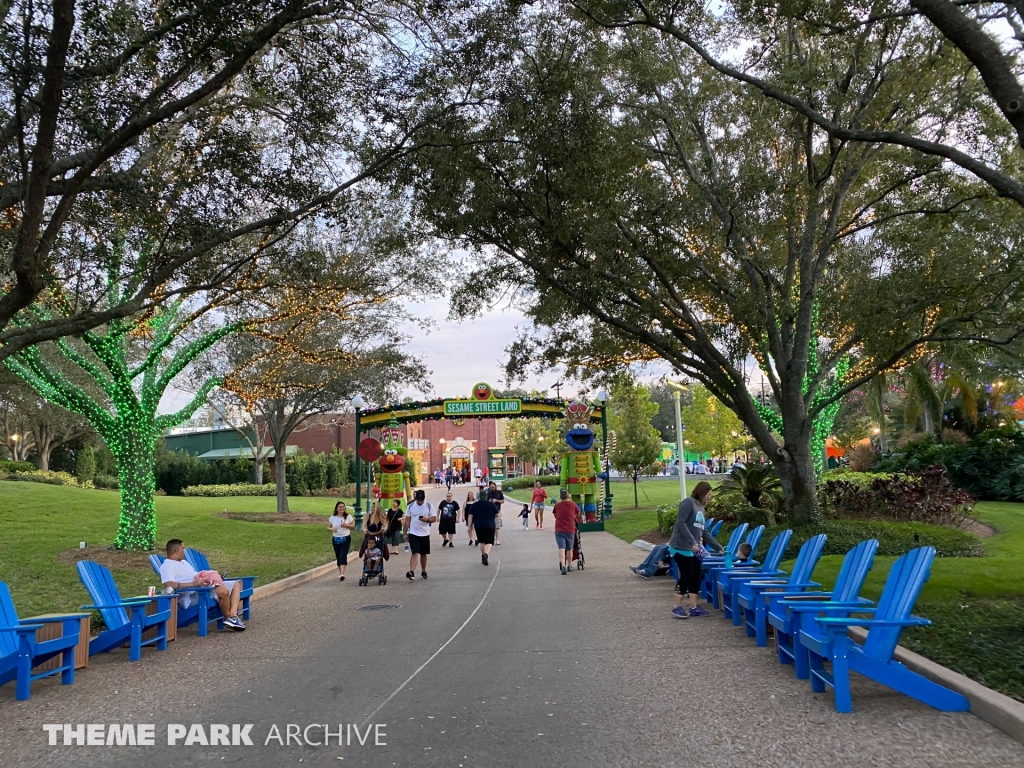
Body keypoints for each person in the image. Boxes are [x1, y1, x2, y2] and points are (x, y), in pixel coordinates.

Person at [158, 539, 245, 630]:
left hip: (202, 587)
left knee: (235, 584)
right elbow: (168, 584)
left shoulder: (184, 563)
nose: (185, 550)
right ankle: (228, 618)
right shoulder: (167, 566)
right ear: (177, 550)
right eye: (183, 548)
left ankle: (233, 616)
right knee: (223, 590)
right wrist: (193, 583)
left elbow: (195, 575)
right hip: (192, 595)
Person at [668, 481, 724, 619]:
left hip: (694, 548)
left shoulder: (701, 508)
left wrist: (718, 547)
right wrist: (692, 542)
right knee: (687, 575)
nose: (709, 497)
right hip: (680, 546)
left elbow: (703, 531)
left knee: (696, 575)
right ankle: (676, 607)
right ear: (702, 492)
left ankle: (694, 607)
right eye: (709, 494)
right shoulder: (688, 503)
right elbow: (680, 523)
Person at [404, 489, 436, 580]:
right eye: (418, 500)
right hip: (413, 532)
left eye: (421, 500)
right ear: (415, 498)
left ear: (424, 498)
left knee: (423, 553)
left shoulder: (429, 506)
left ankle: (423, 570)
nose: (420, 502)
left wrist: (427, 520)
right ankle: (411, 572)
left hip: (425, 533)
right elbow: (407, 520)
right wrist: (405, 533)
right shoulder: (410, 506)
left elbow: (434, 519)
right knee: (415, 552)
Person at [552, 489, 582, 575]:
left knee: (561, 548)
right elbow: (578, 514)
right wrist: (573, 517)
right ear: (568, 496)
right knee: (569, 549)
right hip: (570, 529)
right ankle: (569, 565)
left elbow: (555, 515)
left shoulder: (557, 505)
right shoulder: (573, 504)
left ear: (560, 497)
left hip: (559, 529)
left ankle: (563, 566)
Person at [466, 492, 499, 566]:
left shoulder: (474, 505)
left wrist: (469, 526)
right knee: (490, 542)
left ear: (478, 497)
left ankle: (483, 556)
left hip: (478, 526)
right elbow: (497, 514)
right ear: (486, 496)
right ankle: (486, 554)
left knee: (482, 542)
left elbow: (470, 516)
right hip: (490, 525)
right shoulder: (491, 504)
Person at [327, 501, 355, 582]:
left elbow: (353, 526)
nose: (342, 508)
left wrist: (347, 525)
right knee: (338, 556)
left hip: (345, 538)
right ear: (336, 508)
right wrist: (331, 529)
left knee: (343, 555)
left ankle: (342, 573)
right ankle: (340, 573)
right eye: (340, 507)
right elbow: (328, 527)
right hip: (336, 539)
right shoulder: (333, 517)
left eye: (343, 507)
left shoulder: (348, 517)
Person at [486, 481, 504, 545]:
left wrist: (496, 500)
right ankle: (492, 539)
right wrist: (490, 501)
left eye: (493, 487)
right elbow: (486, 501)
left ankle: (497, 540)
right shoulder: (489, 493)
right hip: (490, 512)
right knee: (491, 526)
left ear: (495, 487)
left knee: (497, 526)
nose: (492, 489)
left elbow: (503, 501)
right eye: (491, 487)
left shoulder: (499, 493)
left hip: (497, 510)